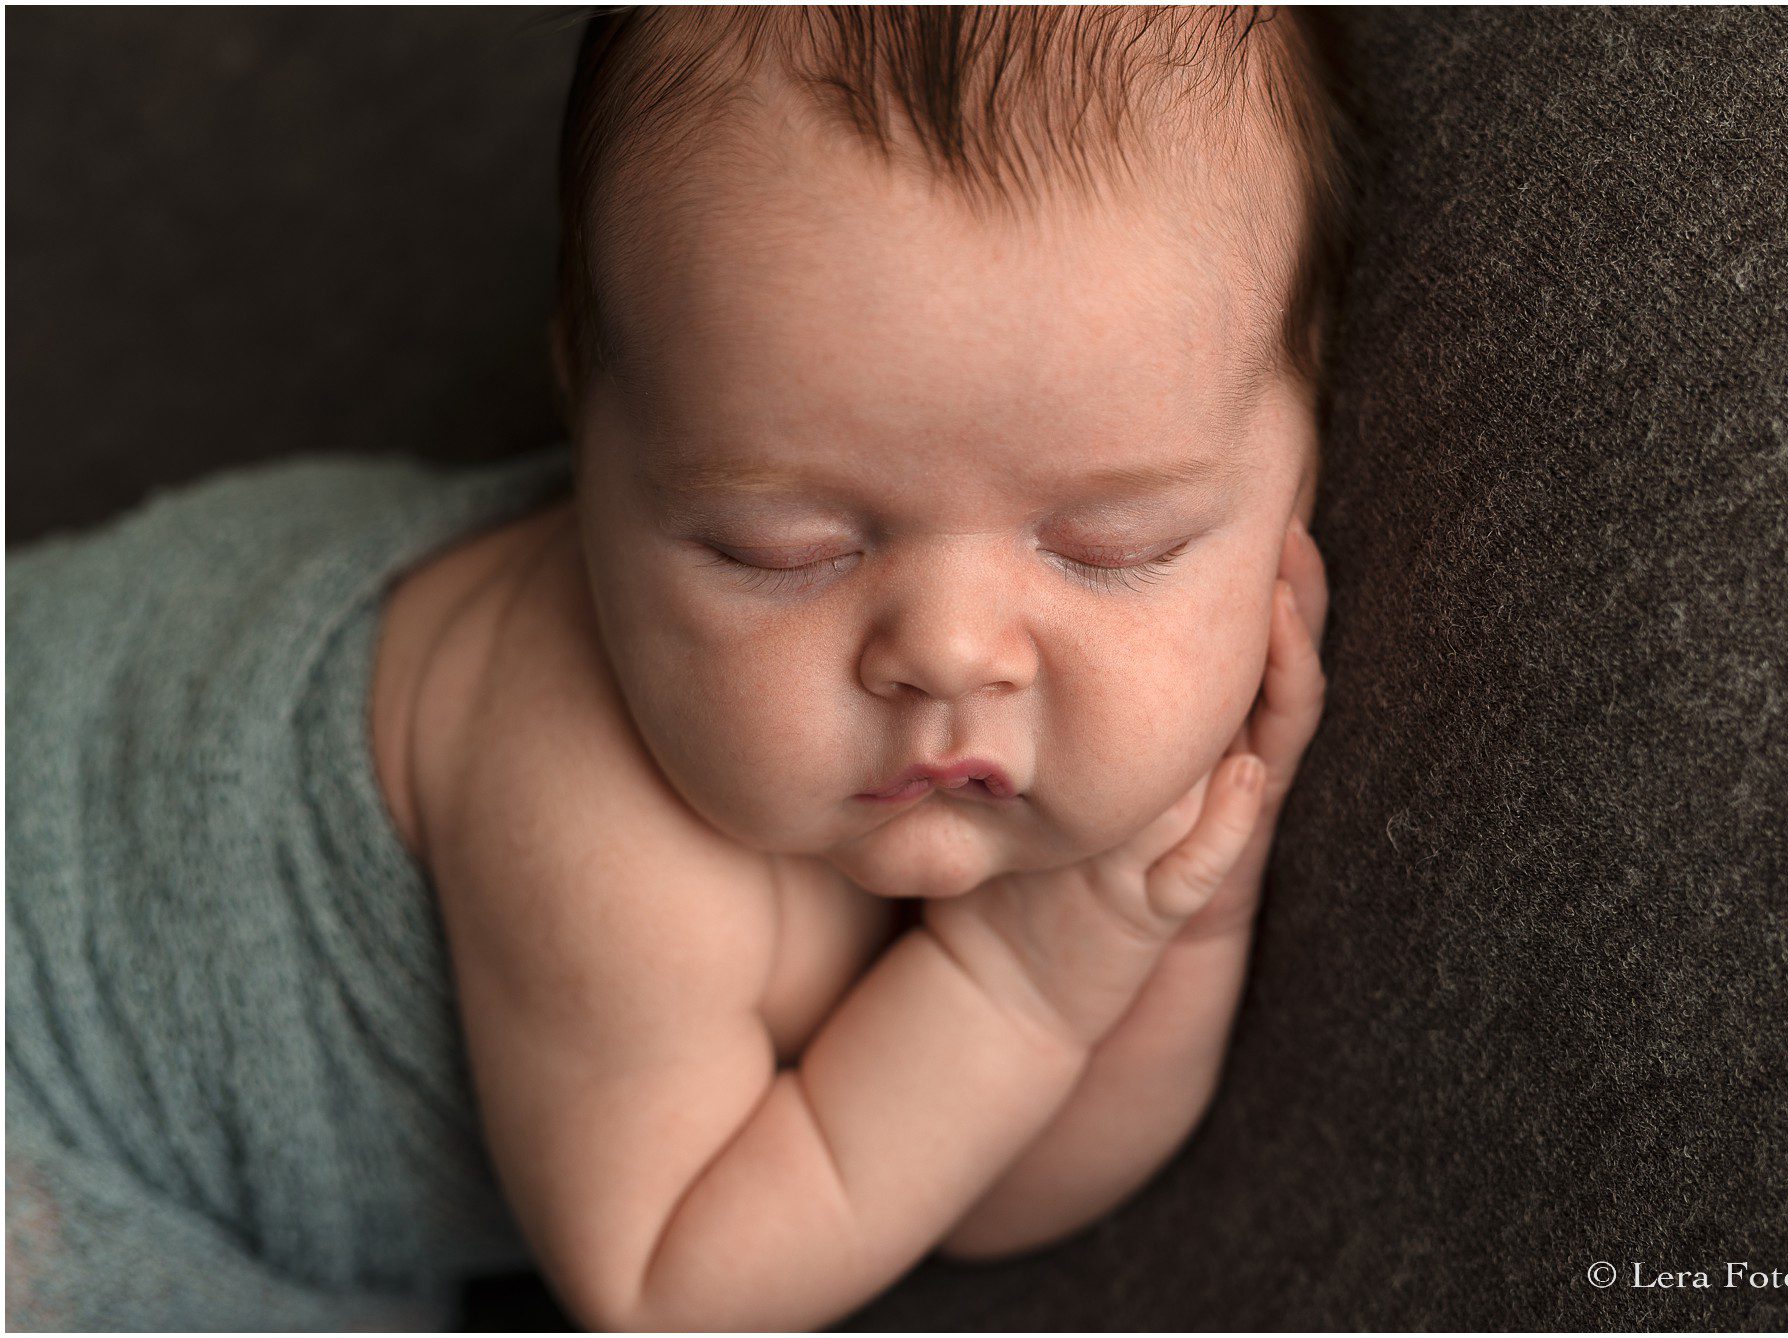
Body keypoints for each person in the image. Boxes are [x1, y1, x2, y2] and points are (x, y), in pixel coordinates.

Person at [6, 7, 1353, 1329]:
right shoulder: (597, 814)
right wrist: (1023, 983)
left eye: (1114, 545)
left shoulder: (926, 746)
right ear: (592, 436)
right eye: (787, 546)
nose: (948, 649)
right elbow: (670, 1285)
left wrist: (1166, 915)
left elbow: (979, 1186)